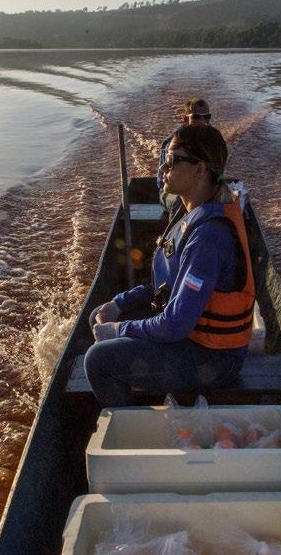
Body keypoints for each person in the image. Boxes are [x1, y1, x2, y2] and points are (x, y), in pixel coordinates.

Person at [84, 124, 254, 407]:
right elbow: (163, 285)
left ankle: (136, 436)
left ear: (199, 169)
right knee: (97, 317)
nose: (163, 166)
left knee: (98, 361)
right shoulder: (188, 213)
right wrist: (119, 304)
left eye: (172, 160)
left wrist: (119, 331)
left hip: (212, 359)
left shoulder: (209, 237)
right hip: (189, 336)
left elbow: (175, 325)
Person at [157, 99, 212, 219]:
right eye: (197, 117)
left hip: (200, 185)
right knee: (180, 199)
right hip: (170, 188)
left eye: (207, 117)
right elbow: (164, 181)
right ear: (186, 119)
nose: (203, 122)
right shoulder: (172, 144)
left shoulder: (213, 141)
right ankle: (175, 234)